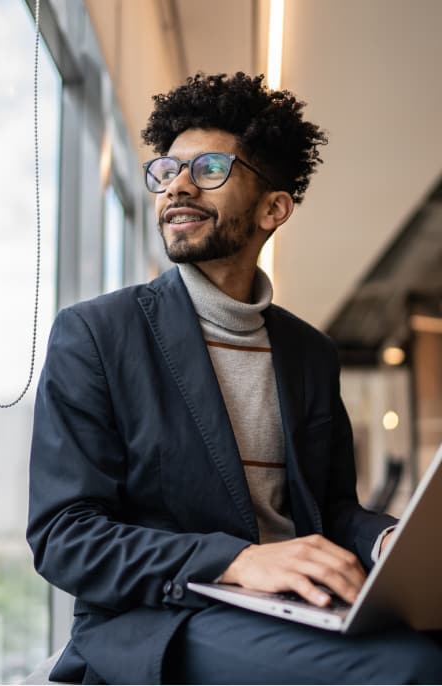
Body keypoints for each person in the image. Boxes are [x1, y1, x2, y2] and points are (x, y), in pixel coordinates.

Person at [27, 72, 442, 684]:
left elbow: (329, 509)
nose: (179, 187)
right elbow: (65, 536)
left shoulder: (309, 352)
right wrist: (240, 560)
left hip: (292, 606)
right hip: (163, 616)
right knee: (409, 668)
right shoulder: (96, 334)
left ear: (274, 208)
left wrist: (387, 546)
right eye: (167, 171)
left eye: (211, 169)